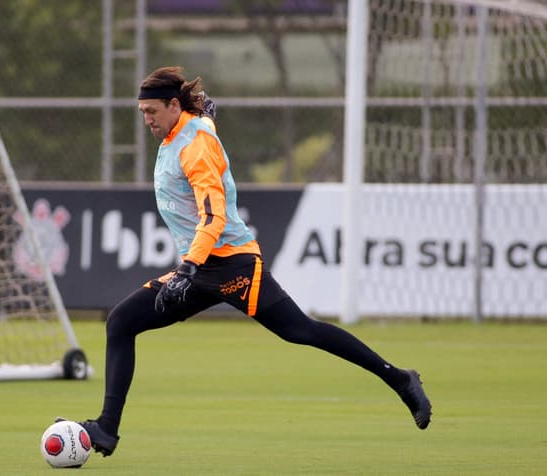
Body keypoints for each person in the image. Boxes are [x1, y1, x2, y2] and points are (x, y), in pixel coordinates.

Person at [58, 66, 432, 457]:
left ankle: (400, 379)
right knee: (121, 322)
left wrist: (187, 268)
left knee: (300, 331)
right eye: (142, 112)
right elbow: (203, 126)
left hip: (232, 264)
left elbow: (214, 215)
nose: (146, 119)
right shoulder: (183, 129)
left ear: (172, 105)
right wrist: (205, 117)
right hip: (200, 267)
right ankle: (106, 430)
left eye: (151, 111)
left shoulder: (193, 145)